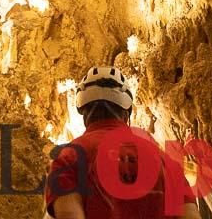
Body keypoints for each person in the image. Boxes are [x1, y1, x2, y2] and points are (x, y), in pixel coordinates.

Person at [45, 65, 201, 219]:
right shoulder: (165, 162)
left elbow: (69, 215)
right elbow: (191, 216)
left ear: (83, 112)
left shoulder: (68, 159)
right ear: (126, 113)